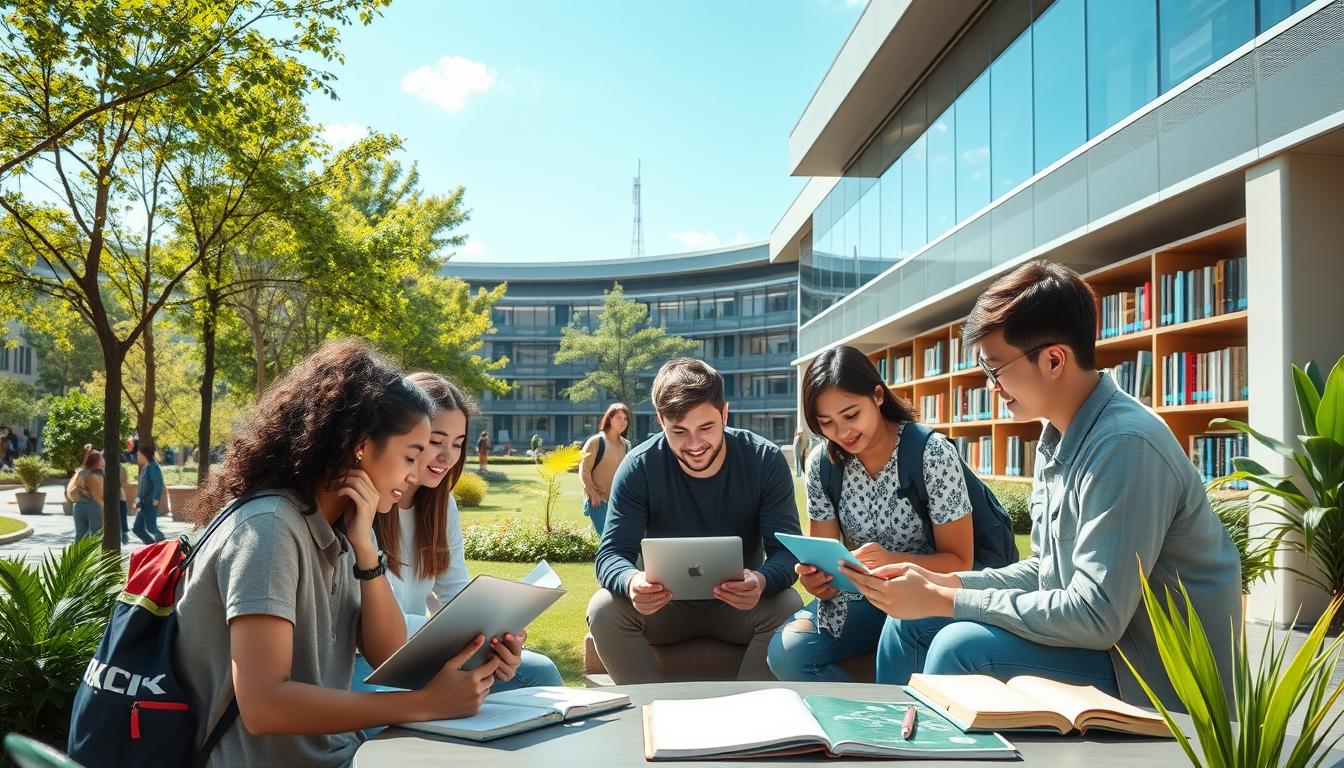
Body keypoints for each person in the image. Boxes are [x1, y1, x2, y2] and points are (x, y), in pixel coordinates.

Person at [837, 261, 1241, 711]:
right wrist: (939, 580)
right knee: (907, 623)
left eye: (996, 370)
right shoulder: (1059, 438)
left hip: (1154, 670)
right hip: (1111, 644)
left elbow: (1095, 615)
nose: (991, 387)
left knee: (961, 647)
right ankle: (893, 748)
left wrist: (945, 598)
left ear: (1053, 360)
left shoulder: (1126, 444)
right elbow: (1045, 572)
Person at [173, 340, 500, 767]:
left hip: (339, 754)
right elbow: (263, 705)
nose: (417, 473)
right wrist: (425, 703)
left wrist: (367, 551)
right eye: (410, 455)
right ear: (360, 447)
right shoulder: (269, 530)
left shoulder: (341, 530)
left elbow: (387, 653)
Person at [588, 358, 803, 684]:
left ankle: (754, 710)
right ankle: (649, 710)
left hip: (739, 607)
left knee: (788, 603)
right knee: (604, 609)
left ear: (725, 414)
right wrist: (632, 582)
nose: (695, 444)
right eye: (679, 431)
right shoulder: (638, 466)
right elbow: (611, 554)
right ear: (661, 421)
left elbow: (787, 553)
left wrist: (761, 581)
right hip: (663, 608)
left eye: (706, 428)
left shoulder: (764, 460)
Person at [767, 346, 974, 682]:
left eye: (851, 415)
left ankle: (885, 724)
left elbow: (960, 561)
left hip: (926, 594)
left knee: (903, 631)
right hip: (861, 595)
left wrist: (893, 559)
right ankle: (856, 722)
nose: (842, 432)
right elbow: (826, 560)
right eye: (827, 423)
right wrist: (818, 581)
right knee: (788, 652)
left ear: (878, 395)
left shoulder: (932, 454)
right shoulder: (822, 464)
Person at [354, 373, 562, 699]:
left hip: (427, 651)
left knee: (540, 673)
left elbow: (455, 597)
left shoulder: (440, 505)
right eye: (435, 442)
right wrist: (461, 639)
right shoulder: (368, 503)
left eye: (457, 443)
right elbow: (371, 628)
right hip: (367, 659)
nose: (447, 457)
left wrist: (493, 640)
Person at [579, 403, 631, 537]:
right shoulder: (596, 442)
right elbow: (584, 470)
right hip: (599, 501)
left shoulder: (626, 445)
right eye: (619, 417)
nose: (623, 421)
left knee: (616, 540)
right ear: (609, 418)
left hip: (619, 503)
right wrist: (592, 494)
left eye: (625, 418)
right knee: (606, 538)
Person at [133, 441, 166, 544]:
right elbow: (142, 487)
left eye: (138, 454)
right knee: (137, 528)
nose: (137, 456)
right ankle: (153, 547)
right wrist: (137, 500)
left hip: (150, 502)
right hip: (143, 503)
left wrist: (155, 499)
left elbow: (158, 483)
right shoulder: (146, 467)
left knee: (151, 528)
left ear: (144, 455)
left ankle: (164, 545)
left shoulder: (153, 467)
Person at [67, 449, 105, 540]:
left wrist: (87, 452)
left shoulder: (80, 473)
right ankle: (97, 554)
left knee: (80, 534)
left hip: (78, 506)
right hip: (93, 506)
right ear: (97, 462)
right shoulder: (96, 476)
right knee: (97, 534)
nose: (103, 460)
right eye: (101, 458)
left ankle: (78, 554)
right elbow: (100, 495)